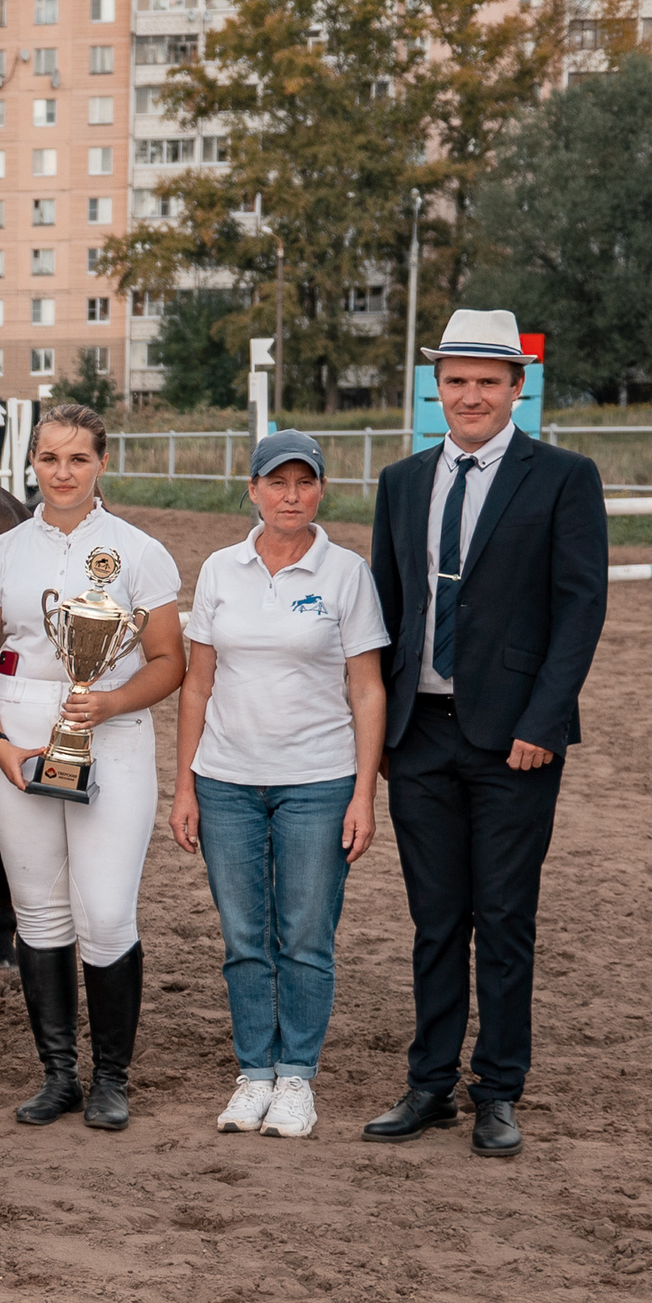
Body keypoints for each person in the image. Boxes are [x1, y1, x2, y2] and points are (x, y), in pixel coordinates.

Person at [363, 308, 606, 1159]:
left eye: (487, 381)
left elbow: (580, 609)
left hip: (516, 741)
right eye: (456, 380)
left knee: (504, 916)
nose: (470, 395)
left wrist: (544, 719)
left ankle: (498, 1087)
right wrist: (382, 733)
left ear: (516, 388)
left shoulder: (564, 477)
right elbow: (385, 614)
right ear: (438, 387)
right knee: (436, 918)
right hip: (420, 735)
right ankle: (429, 1081)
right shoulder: (401, 482)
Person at [0, 401, 185, 1132]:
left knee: (107, 910)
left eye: (78, 459)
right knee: (37, 911)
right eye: (50, 458)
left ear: (102, 463)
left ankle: (111, 1076)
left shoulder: (140, 551)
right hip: (18, 739)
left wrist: (114, 699)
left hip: (110, 736)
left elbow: (169, 661)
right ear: (32, 461)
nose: (62, 473)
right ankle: (59, 1073)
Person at [169, 431, 389, 1142]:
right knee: (243, 937)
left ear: (321, 489)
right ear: (254, 489)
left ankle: (295, 1076)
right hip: (227, 780)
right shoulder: (219, 570)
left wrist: (364, 793)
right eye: (277, 482)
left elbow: (367, 688)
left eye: (305, 481)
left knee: (304, 934)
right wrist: (185, 784)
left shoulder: (346, 573)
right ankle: (252, 1074)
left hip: (318, 781)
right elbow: (197, 684)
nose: (291, 494)